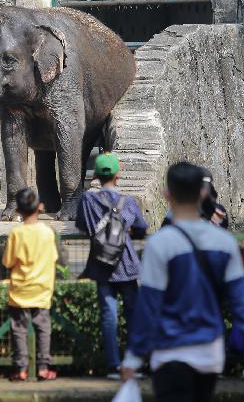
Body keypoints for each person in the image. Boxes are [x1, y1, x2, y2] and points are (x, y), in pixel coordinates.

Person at [122, 162, 244, 401]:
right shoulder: (224, 243)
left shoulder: (160, 244)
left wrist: (133, 358)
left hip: (169, 351)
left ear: (167, 195)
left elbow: (148, 305)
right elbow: (241, 303)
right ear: (203, 193)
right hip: (210, 355)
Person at [76, 152, 149, 379]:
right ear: (119, 173)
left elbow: (82, 226)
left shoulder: (87, 200)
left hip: (101, 263)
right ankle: (134, 364)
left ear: (96, 175)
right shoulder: (128, 202)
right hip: (125, 263)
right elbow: (142, 228)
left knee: (109, 316)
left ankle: (113, 366)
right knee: (134, 315)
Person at [2, 188, 58, 382]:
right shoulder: (47, 232)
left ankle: (21, 368)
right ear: (40, 207)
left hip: (20, 291)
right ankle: (43, 367)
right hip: (42, 289)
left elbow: (8, 262)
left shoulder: (16, 233)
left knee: (19, 329)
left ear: (18, 210)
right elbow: (53, 258)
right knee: (43, 328)